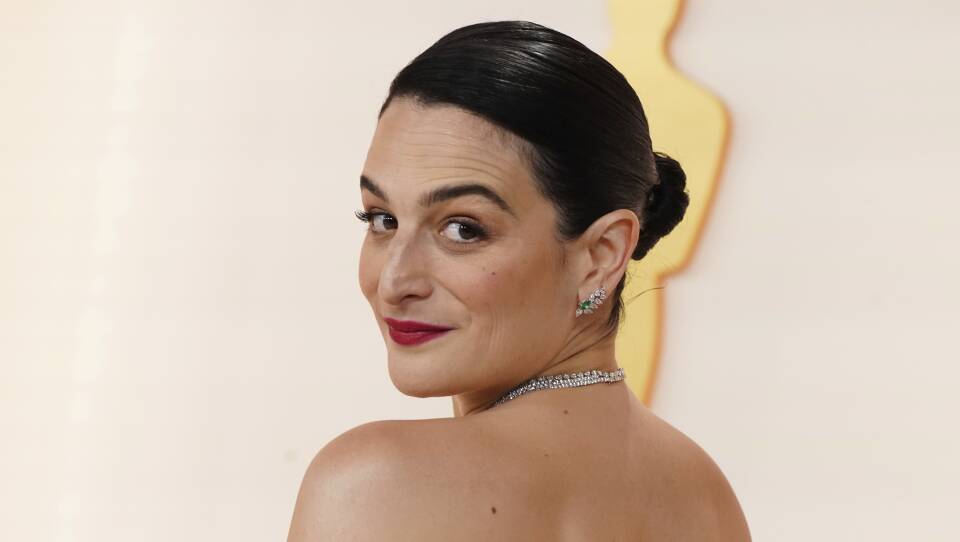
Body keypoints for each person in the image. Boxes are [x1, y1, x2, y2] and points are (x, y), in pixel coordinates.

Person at [288, 20, 750, 541]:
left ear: (601, 254)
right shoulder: (705, 496)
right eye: (381, 219)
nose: (394, 281)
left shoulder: (372, 482)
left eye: (463, 229)